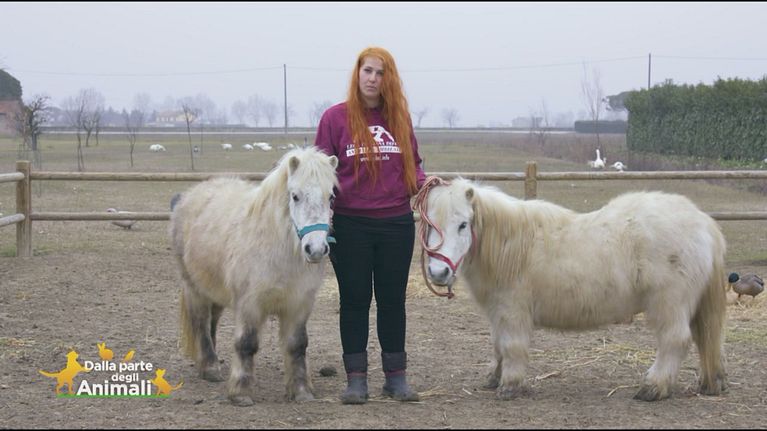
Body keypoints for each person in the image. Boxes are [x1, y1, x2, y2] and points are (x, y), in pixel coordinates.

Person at [314, 46, 426, 405]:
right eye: (368, 71)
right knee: (354, 300)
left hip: (395, 223)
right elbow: (321, 173)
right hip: (351, 226)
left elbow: (414, 165)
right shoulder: (334, 118)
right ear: (357, 73)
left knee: (393, 301)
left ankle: (396, 378)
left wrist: (426, 184)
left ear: (388, 79)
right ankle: (356, 380)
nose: (373, 79)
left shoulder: (399, 118)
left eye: (380, 73)